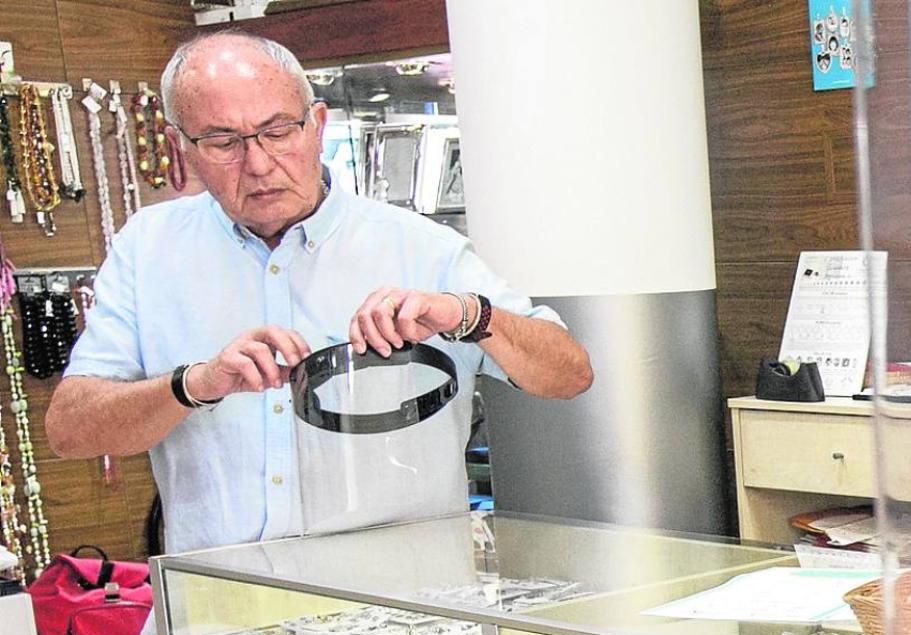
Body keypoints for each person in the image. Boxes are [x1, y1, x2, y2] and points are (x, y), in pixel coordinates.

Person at [45, 32, 591, 580]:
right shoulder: (148, 249)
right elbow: (72, 429)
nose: (257, 163)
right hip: (221, 623)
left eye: (278, 131)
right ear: (179, 147)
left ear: (318, 125)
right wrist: (195, 385)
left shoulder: (420, 249)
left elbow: (569, 372)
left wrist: (468, 314)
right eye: (222, 142)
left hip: (406, 618)